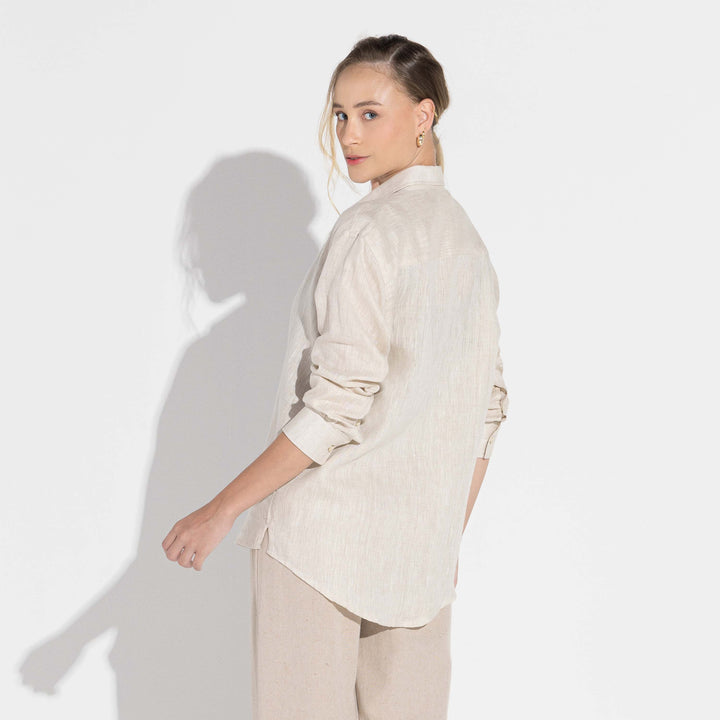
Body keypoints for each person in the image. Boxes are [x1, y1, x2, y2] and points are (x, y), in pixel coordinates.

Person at [162, 34, 509, 720]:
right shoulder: (466, 242)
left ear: (424, 115)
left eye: (370, 114)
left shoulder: (369, 230)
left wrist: (221, 509)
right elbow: (487, 408)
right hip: (417, 555)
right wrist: (443, 533)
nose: (349, 134)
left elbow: (338, 403)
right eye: (341, 115)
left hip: (317, 545)